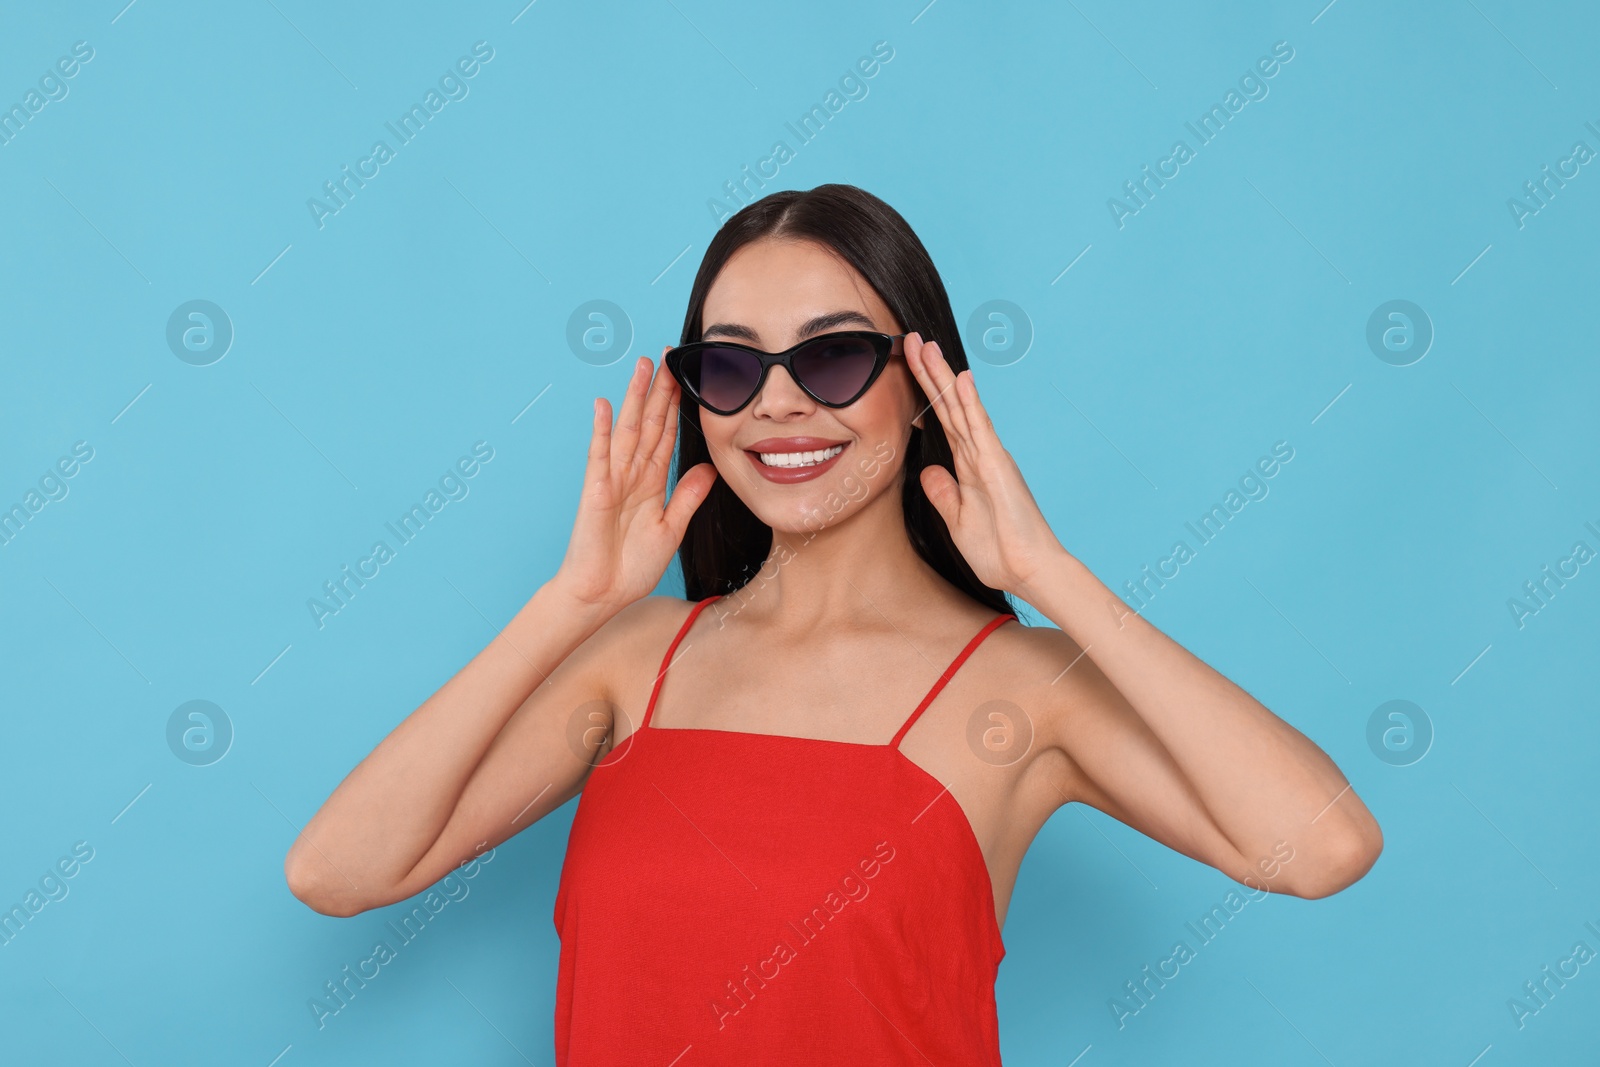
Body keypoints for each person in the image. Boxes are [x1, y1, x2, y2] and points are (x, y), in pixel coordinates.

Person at [285, 183, 1382, 1064]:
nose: (777, 403)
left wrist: (1050, 572)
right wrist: (568, 606)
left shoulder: (1024, 687)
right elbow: (339, 872)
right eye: (730, 364)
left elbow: (1322, 844)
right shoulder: (631, 662)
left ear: (920, 382)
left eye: (831, 355)